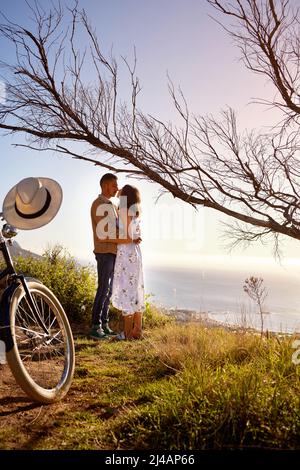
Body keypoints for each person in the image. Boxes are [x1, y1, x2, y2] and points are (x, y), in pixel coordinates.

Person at [90, 174, 137, 340]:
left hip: (113, 252)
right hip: (104, 252)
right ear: (105, 186)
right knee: (103, 288)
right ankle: (96, 326)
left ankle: (104, 324)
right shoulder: (99, 205)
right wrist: (127, 237)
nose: (116, 188)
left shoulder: (111, 205)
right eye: (113, 185)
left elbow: (119, 226)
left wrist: (129, 234)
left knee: (109, 290)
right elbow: (106, 233)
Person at [111, 184, 145, 340]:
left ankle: (126, 334)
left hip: (126, 253)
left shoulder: (123, 210)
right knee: (136, 289)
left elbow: (126, 235)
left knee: (127, 290)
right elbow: (135, 234)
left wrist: (110, 238)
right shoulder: (136, 211)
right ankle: (137, 330)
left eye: (121, 190)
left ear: (126, 195)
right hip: (135, 253)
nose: (118, 191)